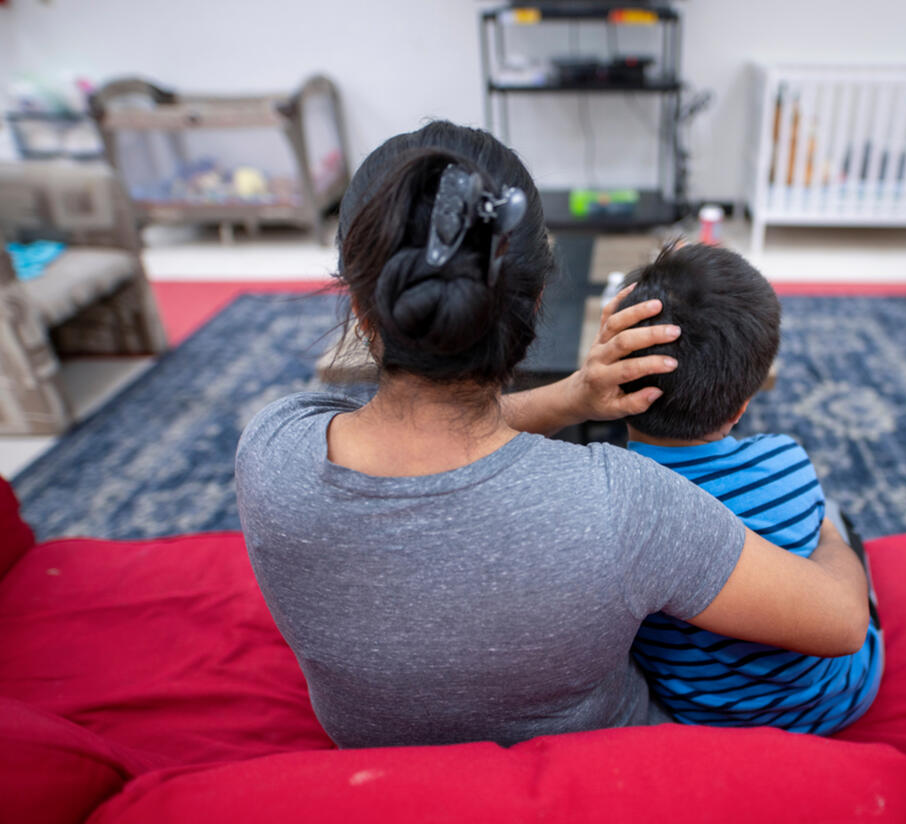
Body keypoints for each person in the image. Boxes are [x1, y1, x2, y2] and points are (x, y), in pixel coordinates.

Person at [235, 121, 869, 749]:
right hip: (599, 768)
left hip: (368, 762)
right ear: (537, 304)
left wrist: (572, 398)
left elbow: (418, 436)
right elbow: (841, 624)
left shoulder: (272, 450)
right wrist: (833, 535)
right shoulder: (624, 503)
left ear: (362, 309)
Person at [618, 243, 884, 734]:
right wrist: (829, 537)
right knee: (835, 519)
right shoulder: (786, 460)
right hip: (837, 700)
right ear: (742, 405)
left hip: (702, 714)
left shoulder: (609, 499)